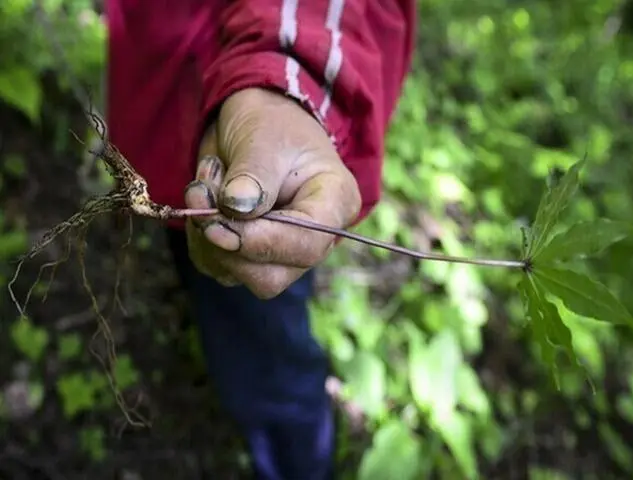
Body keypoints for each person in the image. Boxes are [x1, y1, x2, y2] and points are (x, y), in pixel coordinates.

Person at [105, 1, 415, 478]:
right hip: (166, 123)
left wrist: (283, 80)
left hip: (253, 130)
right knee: (210, 280)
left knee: (269, 357)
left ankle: (297, 463)